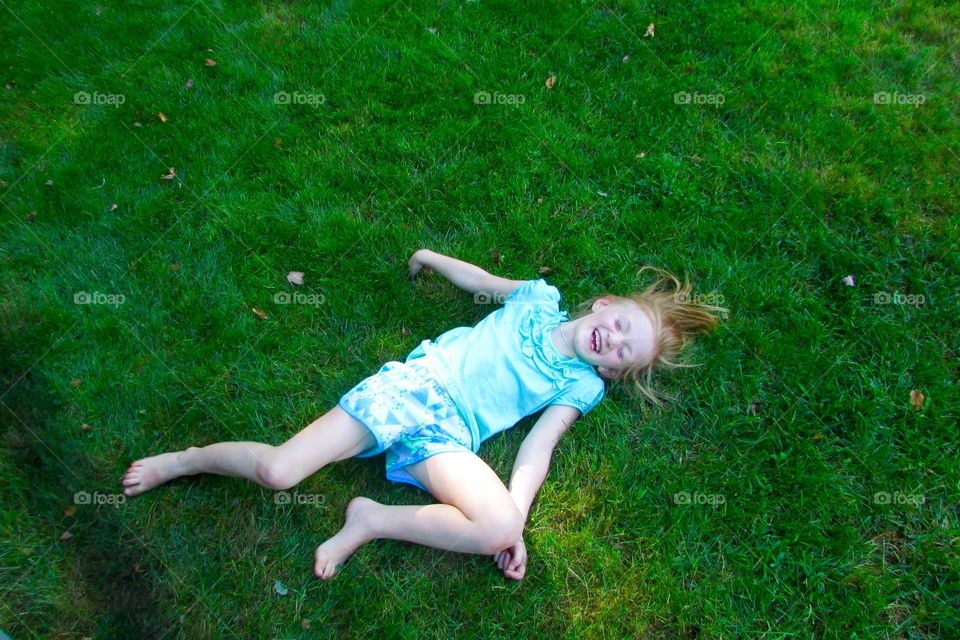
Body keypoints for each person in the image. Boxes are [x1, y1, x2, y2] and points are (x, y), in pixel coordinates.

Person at [121, 249, 724, 580]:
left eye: (624, 354)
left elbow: (536, 450)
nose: (612, 342)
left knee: (499, 529)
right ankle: (186, 459)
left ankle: (371, 520)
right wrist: (433, 259)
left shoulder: (579, 387)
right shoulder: (538, 299)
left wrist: (515, 518)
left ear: (613, 375)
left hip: (448, 436)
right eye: (619, 327)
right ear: (605, 304)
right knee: (279, 473)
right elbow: (482, 283)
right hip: (413, 390)